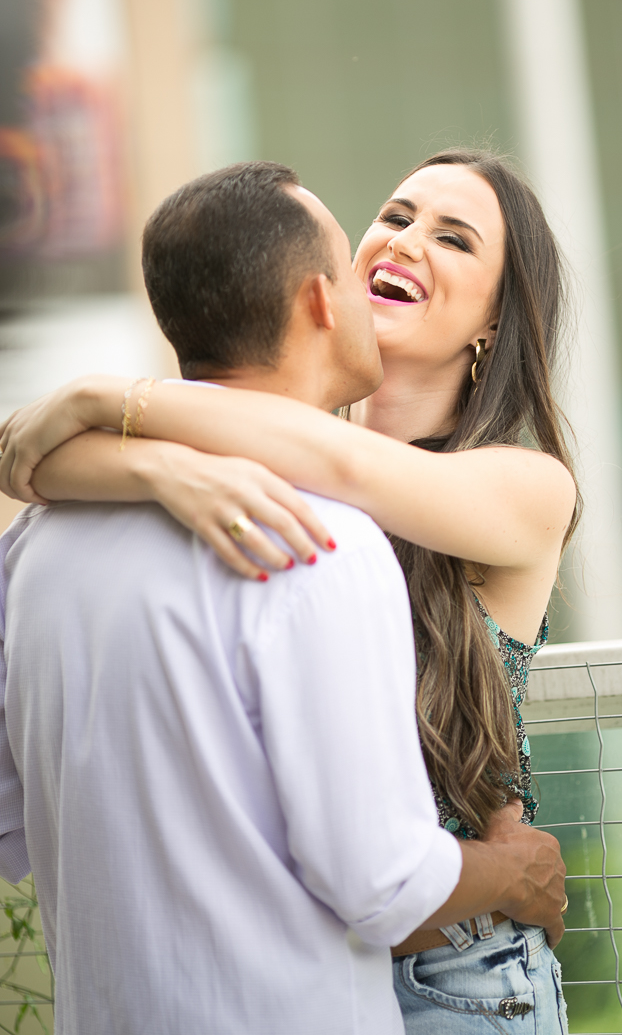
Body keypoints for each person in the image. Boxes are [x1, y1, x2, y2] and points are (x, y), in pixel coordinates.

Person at [0, 150, 577, 1031]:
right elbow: (35, 468)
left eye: (454, 239)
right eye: (395, 217)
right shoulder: (257, 473)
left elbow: (344, 464)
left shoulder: (525, 484)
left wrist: (100, 403)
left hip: (462, 973)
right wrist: (148, 463)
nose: (407, 241)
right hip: (295, 956)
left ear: (492, 324)